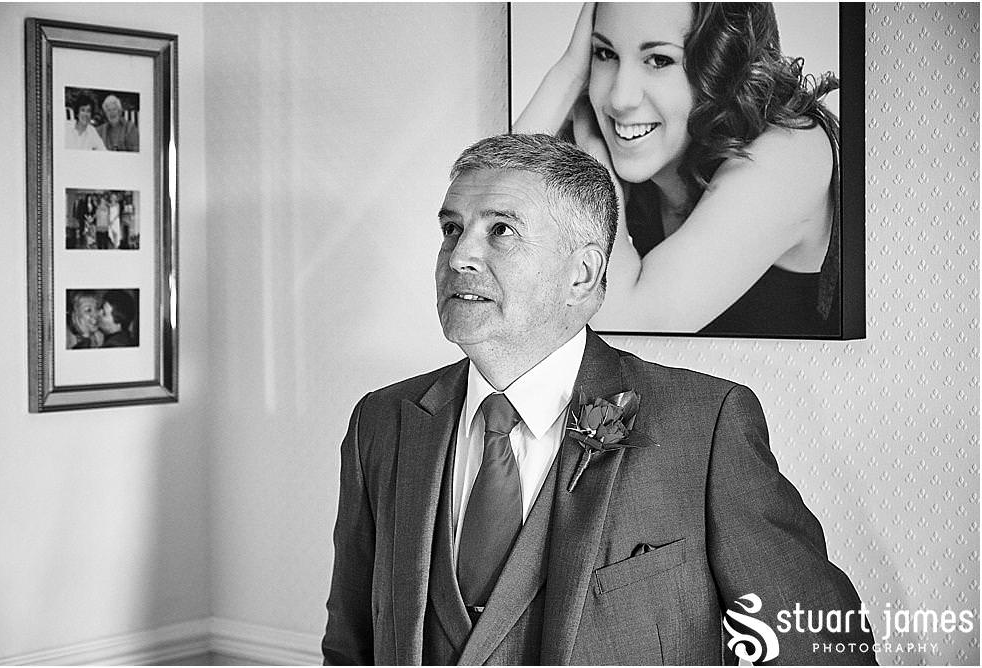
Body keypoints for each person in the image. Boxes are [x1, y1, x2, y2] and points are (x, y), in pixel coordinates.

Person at [322, 133, 874, 665]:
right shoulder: (383, 422)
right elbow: (350, 648)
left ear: (582, 275)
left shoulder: (704, 427)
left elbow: (822, 650)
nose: (458, 256)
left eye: (501, 230)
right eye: (452, 228)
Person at [515, 3, 841, 336]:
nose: (620, 98)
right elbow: (500, 229)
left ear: (724, 64)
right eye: (605, 54)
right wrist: (567, 74)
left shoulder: (791, 152)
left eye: (659, 60)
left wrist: (594, 166)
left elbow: (624, 324)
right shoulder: (639, 147)